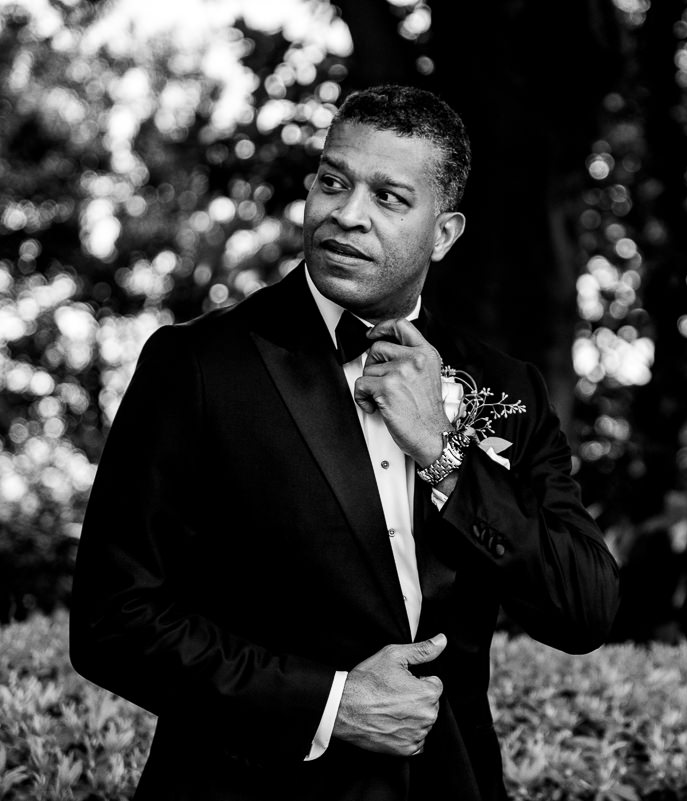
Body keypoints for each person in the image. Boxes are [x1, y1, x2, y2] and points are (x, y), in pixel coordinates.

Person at [70, 84, 620, 801]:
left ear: (444, 233)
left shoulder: (507, 387)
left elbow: (583, 608)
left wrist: (442, 452)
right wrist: (329, 703)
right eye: (333, 181)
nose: (346, 214)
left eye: (389, 198)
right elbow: (113, 620)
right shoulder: (198, 366)